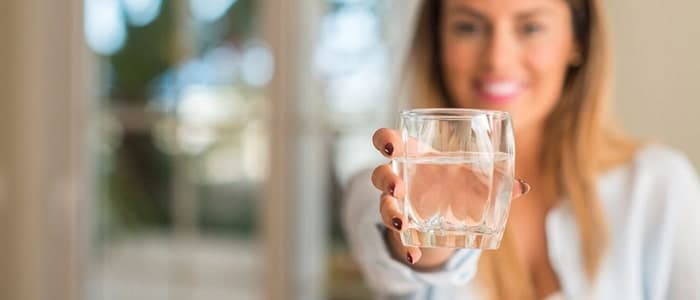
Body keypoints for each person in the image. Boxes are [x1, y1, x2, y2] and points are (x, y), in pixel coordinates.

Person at [341, 0, 700, 299]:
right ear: (436, 42)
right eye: (468, 27)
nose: (497, 59)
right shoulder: (384, 185)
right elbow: (401, 273)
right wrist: (427, 237)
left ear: (578, 41)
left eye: (530, 28)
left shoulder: (658, 185)